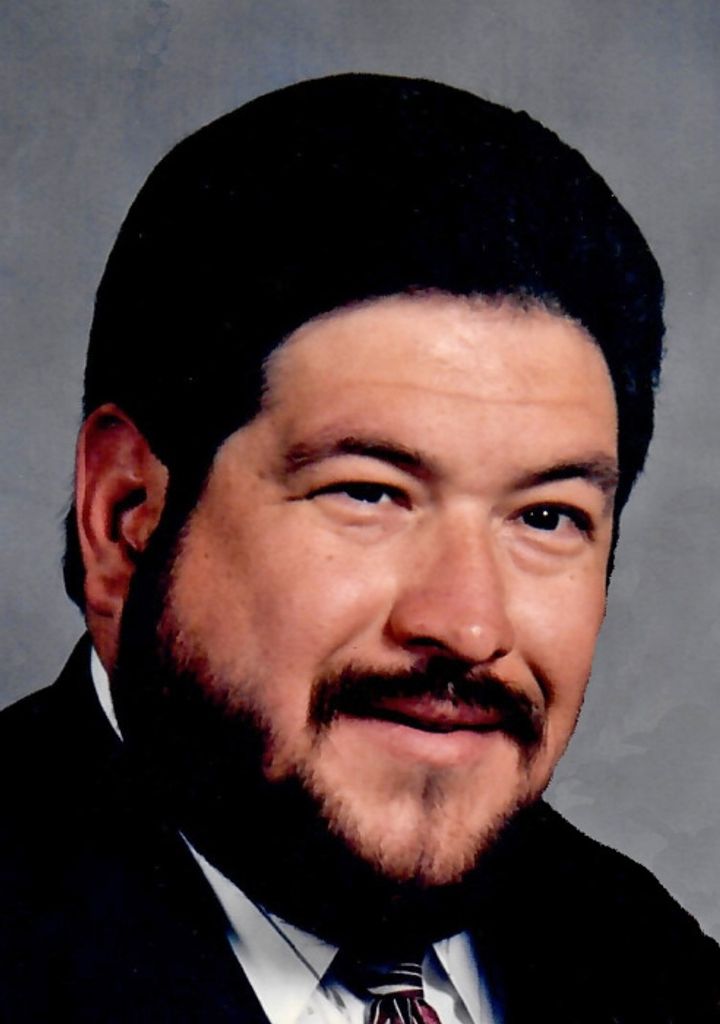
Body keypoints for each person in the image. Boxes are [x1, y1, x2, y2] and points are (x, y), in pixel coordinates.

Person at [1, 73, 718, 1023]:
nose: (468, 627)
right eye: (369, 493)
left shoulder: (660, 971)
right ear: (124, 517)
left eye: (546, 516)